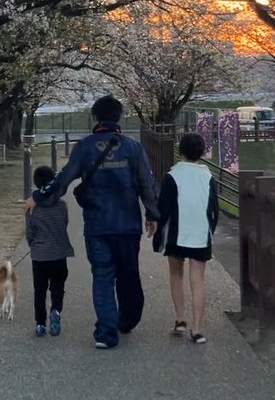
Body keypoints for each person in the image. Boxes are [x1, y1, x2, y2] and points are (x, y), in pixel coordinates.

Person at [26, 95, 159, 349]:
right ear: (119, 117)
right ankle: (127, 320)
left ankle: (106, 333)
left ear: (95, 117)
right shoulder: (132, 147)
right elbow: (146, 183)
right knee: (128, 274)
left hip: (98, 225)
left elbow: (63, 180)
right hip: (127, 225)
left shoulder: (85, 147)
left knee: (102, 276)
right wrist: (152, 214)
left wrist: (38, 197)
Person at [153, 132, 219, 345]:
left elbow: (163, 208)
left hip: (176, 234)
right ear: (201, 153)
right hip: (200, 235)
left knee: (176, 274)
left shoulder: (173, 175)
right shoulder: (208, 177)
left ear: (180, 151)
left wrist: (157, 232)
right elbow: (214, 210)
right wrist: (210, 230)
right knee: (198, 280)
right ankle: (197, 329)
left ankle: (180, 319)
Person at [25, 165, 74, 339]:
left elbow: (29, 232)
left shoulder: (31, 207)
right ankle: (56, 310)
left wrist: (33, 244)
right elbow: (65, 224)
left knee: (39, 290)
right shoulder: (62, 206)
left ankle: (40, 323)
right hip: (59, 253)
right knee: (58, 286)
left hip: (39, 255)